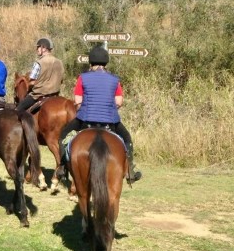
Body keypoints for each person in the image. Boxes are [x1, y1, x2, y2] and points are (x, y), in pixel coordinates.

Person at [58, 45, 142, 183]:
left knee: (62, 135)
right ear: (106, 62)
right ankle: (130, 172)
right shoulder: (115, 79)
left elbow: (78, 102)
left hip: (85, 120)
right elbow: (119, 101)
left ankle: (62, 168)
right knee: (127, 138)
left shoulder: (82, 78)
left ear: (91, 63)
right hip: (110, 121)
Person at [15, 37, 65, 112]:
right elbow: (61, 80)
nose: (37, 49)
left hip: (38, 95)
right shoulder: (59, 62)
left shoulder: (39, 63)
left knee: (18, 109)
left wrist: (30, 86)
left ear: (44, 48)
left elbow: (32, 82)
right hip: (55, 95)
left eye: (38, 47)